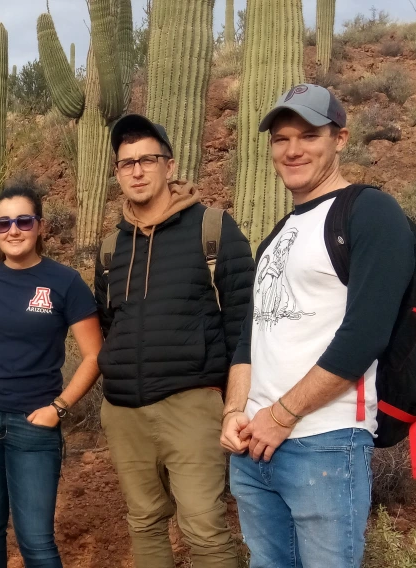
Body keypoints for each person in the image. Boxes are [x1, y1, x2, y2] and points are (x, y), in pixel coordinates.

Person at [221, 84, 415, 567]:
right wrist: (233, 412)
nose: (292, 150)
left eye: (308, 136)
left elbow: (365, 336)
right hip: (253, 446)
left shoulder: (370, 212)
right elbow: (251, 337)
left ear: (340, 138)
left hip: (325, 444)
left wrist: (281, 415)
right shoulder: (278, 234)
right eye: (281, 139)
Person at [94, 115, 254, 568]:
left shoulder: (213, 229)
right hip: (124, 410)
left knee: (203, 527)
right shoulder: (111, 248)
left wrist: (232, 404)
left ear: (170, 165)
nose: (137, 171)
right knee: (143, 521)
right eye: (126, 164)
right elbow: (110, 324)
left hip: (192, 404)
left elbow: (244, 324)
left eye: (147, 160)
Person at [0, 182, 103, 568]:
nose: (13, 231)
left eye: (23, 221)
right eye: (3, 223)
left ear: (41, 226)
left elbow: (95, 355)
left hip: (35, 425)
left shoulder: (65, 282)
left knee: (36, 541)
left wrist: (60, 407)